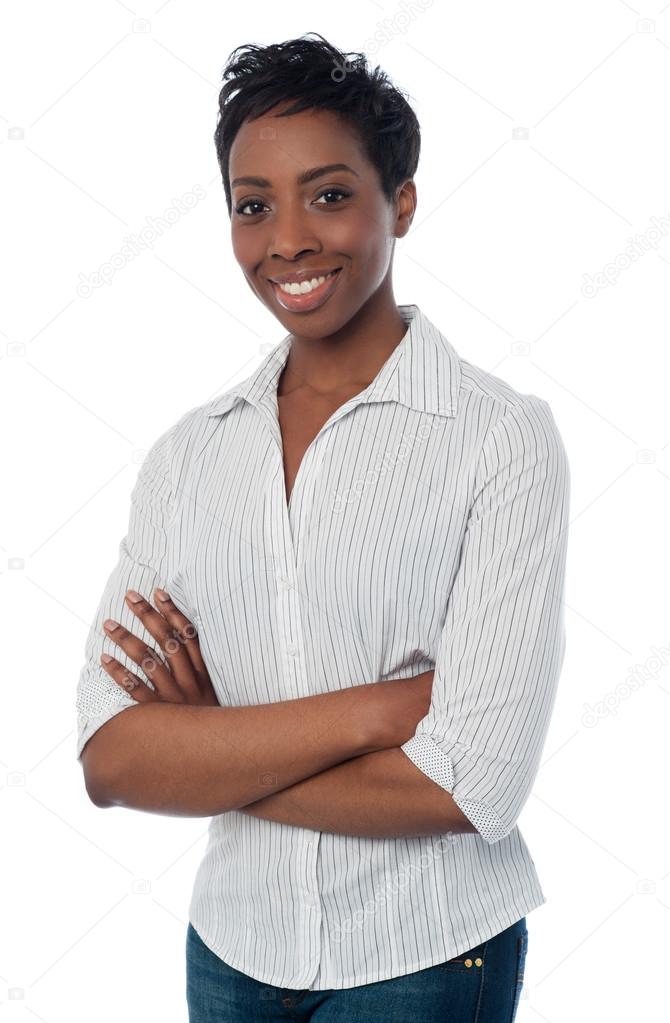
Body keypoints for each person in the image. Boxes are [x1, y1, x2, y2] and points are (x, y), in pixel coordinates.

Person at [76, 32, 570, 1022]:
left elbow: (473, 788)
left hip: (427, 956)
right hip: (233, 950)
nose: (288, 238)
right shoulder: (189, 457)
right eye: (253, 205)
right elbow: (114, 759)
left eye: (331, 194)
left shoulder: (499, 438)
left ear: (403, 202)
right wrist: (383, 711)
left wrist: (210, 751)